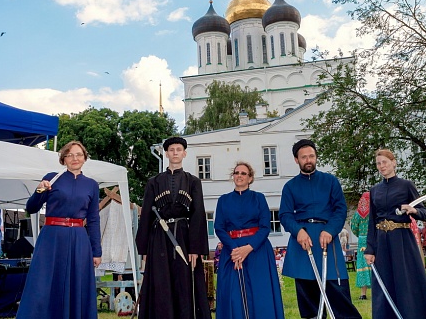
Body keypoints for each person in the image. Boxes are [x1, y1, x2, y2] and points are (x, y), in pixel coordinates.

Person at [16, 141, 101, 319]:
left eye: (78, 154)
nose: (74, 158)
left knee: (76, 283)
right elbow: (31, 208)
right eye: (70, 155)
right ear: (63, 159)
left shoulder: (92, 185)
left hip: (79, 239)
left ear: (85, 158)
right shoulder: (53, 178)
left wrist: (96, 251)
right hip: (51, 237)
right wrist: (39, 191)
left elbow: (93, 219)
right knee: (44, 283)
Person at [279, 139, 361, 319]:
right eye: (304, 157)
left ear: (316, 157)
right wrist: (298, 231)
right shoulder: (290, 187)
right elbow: (285, 215)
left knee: (338, 294)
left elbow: (340, 210)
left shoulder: (330, 181)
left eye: (311, 156)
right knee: (309, 301)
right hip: (303, 244)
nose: (308, 160)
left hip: (327, 240)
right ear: (296, 160)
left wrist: (330, 230)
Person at [136, 136, 211, 319]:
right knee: (161, 282)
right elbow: (146, 214)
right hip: (159, 239)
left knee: (184, 281)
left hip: (184, 238)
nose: (175, 153)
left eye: (179, 149)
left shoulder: (193, 181)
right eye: (171, 150)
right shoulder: (153, 182)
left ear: (184, 153)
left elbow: (198, 214)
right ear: (166, 153)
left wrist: (196, 248)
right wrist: (144, 248)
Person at [364, 149, 426, 319]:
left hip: (402, 240)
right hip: (381, 241)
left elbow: (424, 212)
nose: (381, 166)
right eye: (378, 163)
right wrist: (370, 248)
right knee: (384, 281)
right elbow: (372, 221)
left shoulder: (406, 185)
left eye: (384, 162)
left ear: (394, 162)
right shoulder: (374, 190)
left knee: (406, 281)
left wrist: (413, 210)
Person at [214, 162, 284, 319]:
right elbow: (219, 227)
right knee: (233, 294)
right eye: (236, 172)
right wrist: (235, 250)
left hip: (257, 250)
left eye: (243, 173)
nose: (239, 175)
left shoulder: (259, 198)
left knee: (260, 293)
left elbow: (265, 227)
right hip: (232, 251)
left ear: (250, 178)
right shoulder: (223, 200)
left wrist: (248, 247)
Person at [350, 191, 371, 300]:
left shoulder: (357, 214)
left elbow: (353, 227)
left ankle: (363, 294)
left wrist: (360, 235)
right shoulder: (375, 212)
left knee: (363, 265)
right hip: (373, 240)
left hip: (362, 240)